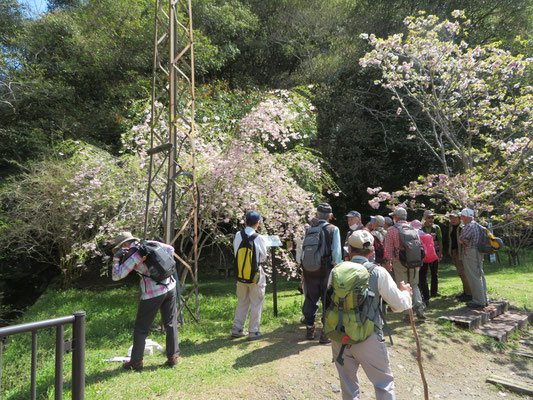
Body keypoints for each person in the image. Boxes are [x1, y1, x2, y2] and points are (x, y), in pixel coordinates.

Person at [331, 230, 413, 400]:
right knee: (383, 383)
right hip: (368, 335)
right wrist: (406, 293)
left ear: (349, 250)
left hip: (340, 335)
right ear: (371, 252)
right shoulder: (378, 272)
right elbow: (398, 305)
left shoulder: (336, 271)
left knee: (348, 385)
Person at [112, 232, 179, 371]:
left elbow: (117, 276)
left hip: (152, 293)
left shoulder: (133, 256)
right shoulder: (150, 244)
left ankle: (136, 362)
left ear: (124, 245)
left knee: (141, 328)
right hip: (170, 286)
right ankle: (173, 357)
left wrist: (116, 259)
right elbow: (171, 249)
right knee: (170, 323)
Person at [302, 203, 342, 343]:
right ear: (330, 216)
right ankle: (325, 334)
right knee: (328, 300)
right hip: (326, 270)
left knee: (310, 298)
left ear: (317, 215)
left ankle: (309, 328)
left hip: (309, 270)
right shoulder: (333, 229)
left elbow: (303, 253)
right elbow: (336, 254)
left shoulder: (309, 230)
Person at [231, 211, 269, 340]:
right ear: (257, 223)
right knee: (256, 302)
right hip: (255, 276)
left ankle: (237, 328)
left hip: (240, 274)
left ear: (246, 221)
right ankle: (253, 331)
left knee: (242, 301)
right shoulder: (259, 238)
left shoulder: (237, 235)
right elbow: (263, 258)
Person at [384, 207, 426, 321]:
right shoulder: (413, 228)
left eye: (394, 216)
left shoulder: (392, 230)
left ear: (396, 217)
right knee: (414, 284)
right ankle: (420, 309)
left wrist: (389, 262)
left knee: (403, 286)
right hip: (413, 261)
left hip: (399, 261)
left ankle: (408, 313)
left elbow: (388, 248)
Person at [459, 208, 489, 309]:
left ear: (466, 217)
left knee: (473, 276)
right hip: (479, 252)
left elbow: (461, 239)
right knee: (480, 274)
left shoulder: (468, 226)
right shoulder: (477, 225)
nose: (461, 218)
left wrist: (461, 240)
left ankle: (479, 301)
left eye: (462, 216)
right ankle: (484, 298)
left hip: (471, 252)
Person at [411, 219, 438, 308]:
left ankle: (419, 298)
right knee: (424, 279)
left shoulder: (413, 234)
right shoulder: (426, 235)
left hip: (417, 260)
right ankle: (426, 299)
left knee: (416, 280)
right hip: (426, 259)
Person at [447, 211, 472, 301]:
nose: (452, 220)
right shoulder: (451, 227)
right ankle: (466, 292)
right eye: (451, 218)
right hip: (454, 252)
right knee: (460, 273)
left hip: (461, 252)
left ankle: (469, 294)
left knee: (463, 272)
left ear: (459, 218)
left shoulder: (463, 227)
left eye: (454, 218)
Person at [421, 210, 443, 297]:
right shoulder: (420, 227)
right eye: (429, 217)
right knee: (423, 273)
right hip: (424, 254)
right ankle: (424, 292)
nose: (431, 219)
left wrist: (440, 253)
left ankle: (434, 292)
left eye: (432, 217)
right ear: (425, 218)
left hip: (434, 253)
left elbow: (440, 241)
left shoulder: (436, 228)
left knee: (435, 273)